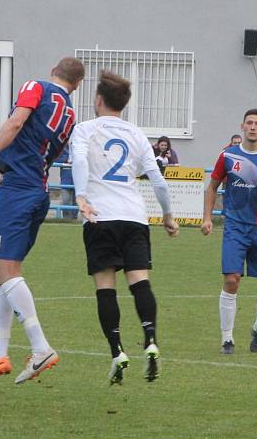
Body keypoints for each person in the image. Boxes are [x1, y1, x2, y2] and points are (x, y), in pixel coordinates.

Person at [0, 57, 85, 385]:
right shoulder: (70, 114)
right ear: (76, 84)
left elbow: (16, 124)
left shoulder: (37, 87)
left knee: (7, 271)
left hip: (19, 192)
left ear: (53, 72)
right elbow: (39, 153)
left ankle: (40, 346)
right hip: (33, 189)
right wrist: (3, 172)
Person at [70, 71, 179, 384]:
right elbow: (157, 179)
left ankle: (117, 350)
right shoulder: (135, 134)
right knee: (140, 283)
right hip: (133, 217)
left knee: (106, 288)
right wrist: (168, 216)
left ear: (99, 100)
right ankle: (151, 340)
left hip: (99, 217)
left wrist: (80, 196)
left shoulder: (85, 129)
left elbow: (78, 161)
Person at [201, 108, 257, 355]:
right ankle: (227, 340)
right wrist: (207, 218)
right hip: (235, 227)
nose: (253, 127)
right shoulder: (228, 156)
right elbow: (211, 188)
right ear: (242, 126)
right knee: (232, 279)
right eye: (249, 123)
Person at [55, 147, 76, 220]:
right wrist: (67, 159)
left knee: (76, 202)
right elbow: (56, 159)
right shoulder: (63, 148)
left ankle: (74, 219)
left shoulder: (81, 147)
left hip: (78, 179)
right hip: (65, 179)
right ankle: (66, 219)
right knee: (66, 200)